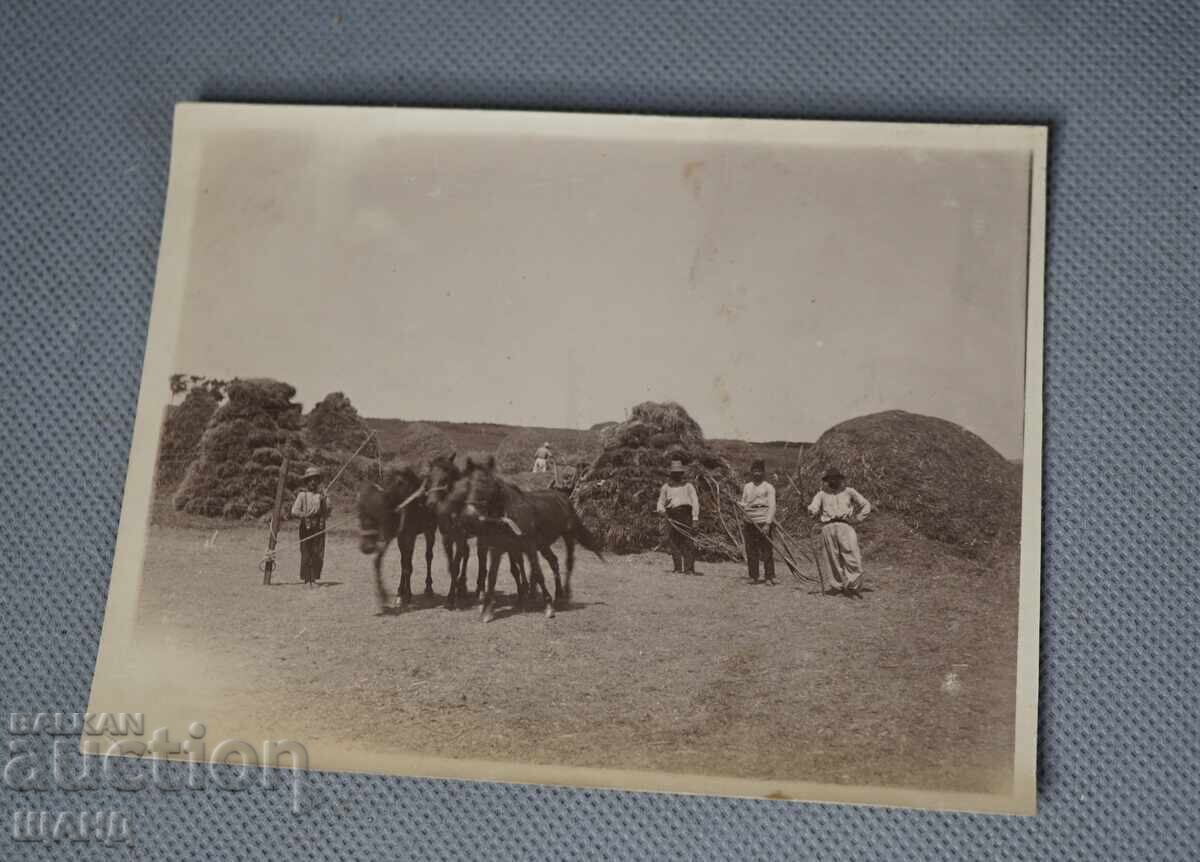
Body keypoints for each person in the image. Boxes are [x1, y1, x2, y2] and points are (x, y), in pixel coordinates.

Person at [807, 468, 872, 595]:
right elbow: (814, 507)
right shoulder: (821, 494)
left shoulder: (849, 492)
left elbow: (866, 505)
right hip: (828, 527)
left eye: (835, 478)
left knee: (853, 557)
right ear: (827, 480)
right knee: (832, 558)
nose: (833, 481)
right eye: (830, 478)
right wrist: (811, 510)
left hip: (845, 526)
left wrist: (858, 518)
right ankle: (837, 586)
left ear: (840, 479)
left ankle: (853, 585)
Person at [655, 460, 699, 573]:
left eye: (678, 473)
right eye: (674, 473)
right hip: (671, 515)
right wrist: (662, 511)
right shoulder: (666, 487)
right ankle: (678, 568)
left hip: (686, 515)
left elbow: (695, 502)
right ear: (671, 474)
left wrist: (695, 519)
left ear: (682, 474)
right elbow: (660, 501)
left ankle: (689, 569)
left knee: (688, 541)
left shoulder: (688, 486)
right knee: (673, 542)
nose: (676, 475)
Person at [738, 458, 777, 584]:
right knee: (751, 549)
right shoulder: (747, 487)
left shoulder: (768, 487)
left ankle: (769, 577)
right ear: (751, 472)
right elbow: (744, 503)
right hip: (749, 520)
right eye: (754, 471)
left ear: (763, 473)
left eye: (759, 471)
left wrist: (767, 524)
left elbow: (772, 506)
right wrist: (738, 504)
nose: (756, 474)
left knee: (766, 549)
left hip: (763, 519)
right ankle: (753, 576)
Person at [291, 466, 331, 585]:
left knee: (317, 552)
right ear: (307, 482)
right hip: (306, 527)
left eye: (315, 479)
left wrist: (324, 501)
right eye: (310, 480)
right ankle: (306, 579)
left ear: (318, 481)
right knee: (306, 552)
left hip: (319, 527)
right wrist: (304, 515)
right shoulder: (302, 495)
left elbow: (327, 512)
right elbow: (294, 511)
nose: (313, 482)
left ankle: (314, 578)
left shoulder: (322, 495)